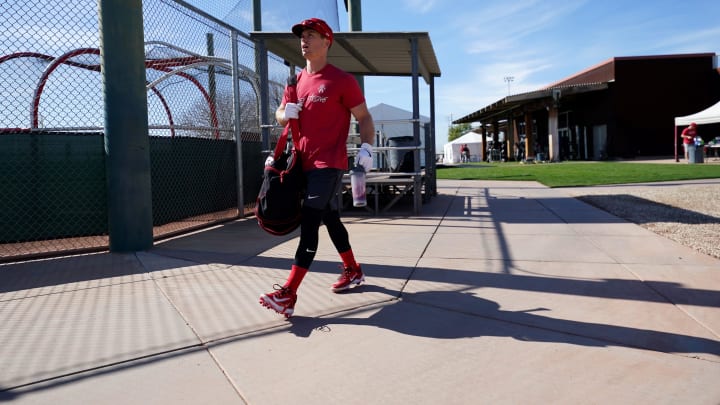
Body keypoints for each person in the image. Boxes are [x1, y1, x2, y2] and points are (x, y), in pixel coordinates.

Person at [259, 18, 376, 318]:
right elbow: (280, 114)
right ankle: (353, 269)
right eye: (302, 36)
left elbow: (364, 117)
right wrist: (285, 112)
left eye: (311, 35)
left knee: (310, 222)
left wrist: (367, 147)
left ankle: (288, 293)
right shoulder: (295, 82)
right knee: (331, 219)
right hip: (301, 164)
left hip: (329, 164)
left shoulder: (342, 80)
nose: (304, 41)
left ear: (326, 42)